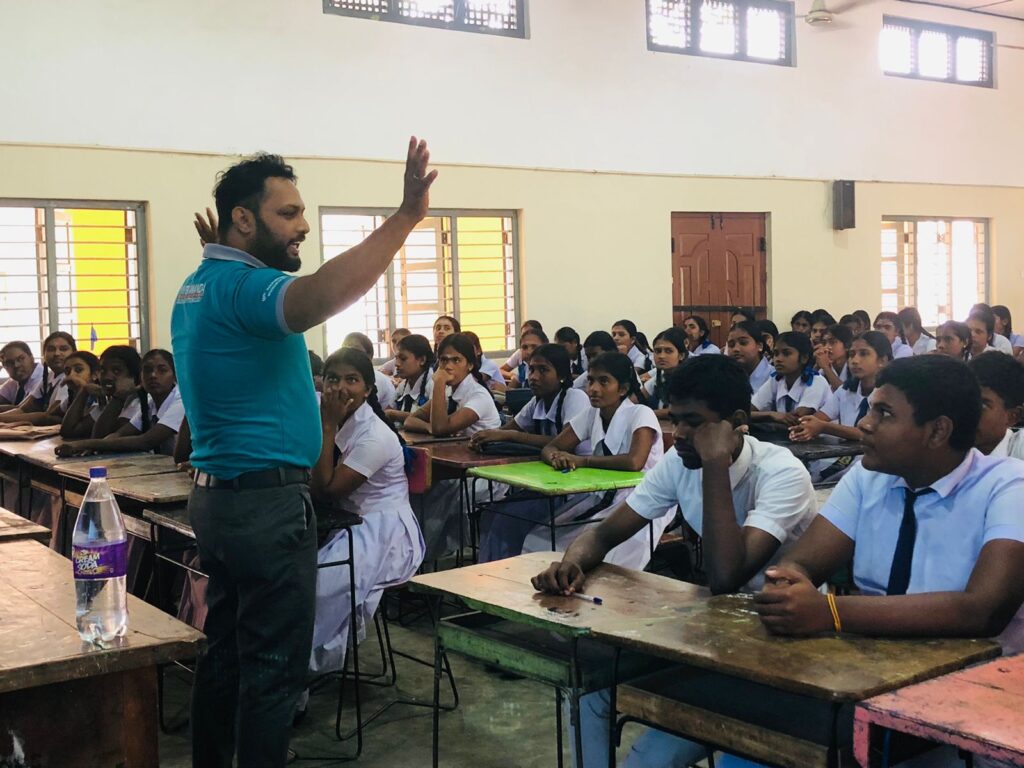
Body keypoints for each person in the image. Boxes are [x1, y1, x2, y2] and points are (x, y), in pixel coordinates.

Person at [171, 138, 435, 768]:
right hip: (266, 505)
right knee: (271, 670)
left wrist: (228, 257)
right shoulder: (244, 286)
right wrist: (403, 220)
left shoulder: (201, 283)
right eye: (287, 213)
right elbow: (316, 296)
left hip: (223, 500)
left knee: (228, 653)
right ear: (244, 219)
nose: (303, 225)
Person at [531, 355, 816, 768]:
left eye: (694, 422)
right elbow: (605, 534)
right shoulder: (680, 461)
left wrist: (715, 463)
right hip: (710, 629)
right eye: (676, 419)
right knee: (590, 688)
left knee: (647, 762)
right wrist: (572, 562)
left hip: (776, 645)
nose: (678, 433)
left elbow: (725, 576)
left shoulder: (781, 474)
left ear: (736, 421)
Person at [753, 356, 1024, 667]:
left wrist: (832, 612)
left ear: (937, 431)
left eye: (884, 413)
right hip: (877, 666)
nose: (864, 424)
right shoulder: (868, 477)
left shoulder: (1010, 486)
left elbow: (982, 610)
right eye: (870, 409)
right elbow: (801, 562)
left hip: (980, 684)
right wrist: (787, 587)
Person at [308, 348, 424, 675]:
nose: (341, 388)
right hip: (345, 519)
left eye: (352, 380)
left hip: (381, 529)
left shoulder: (374, 435)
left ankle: (303, 672)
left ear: (368, 389)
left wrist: (327, 426)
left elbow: (327, 489)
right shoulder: (325, 415)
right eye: (333, 379)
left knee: (321, 585)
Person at [521, 352, 664, 564]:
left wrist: (582, 461)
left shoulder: (641, 413)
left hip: (640, 499)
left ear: (623, 389)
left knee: (608, 556)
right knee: (541, 538)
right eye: (590, 380)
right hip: (601, 494)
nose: (593, 389)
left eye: (604, 381)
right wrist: (556, 457)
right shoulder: (591, 415)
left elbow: (634, 462)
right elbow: (552, 446)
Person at [791, 331, 892, 483]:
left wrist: (823, 427)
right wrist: (807, 425)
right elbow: (821, 417)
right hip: (840, 459)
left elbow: (866, 433)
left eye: (864, 354)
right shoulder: (846, 390)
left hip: (872, 461)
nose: (855, 360)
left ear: (882, 360)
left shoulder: (890, 394)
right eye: (851, 354)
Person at [55, 348, 185, 457]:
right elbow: (109, 435)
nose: (153, 375)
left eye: (162, 370)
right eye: (147, 370)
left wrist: (86, 444)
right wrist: (94, 445)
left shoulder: (180, 401)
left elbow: (146, 441)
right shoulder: (150, 403)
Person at [750, 332, 831, 425]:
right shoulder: (776, 379)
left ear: (804, 358)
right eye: (776, 353)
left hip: (824, 438)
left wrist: (773, 416)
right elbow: (747, 412)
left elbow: (797, 419)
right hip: (789, 436)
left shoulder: (816, 381)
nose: (778, 359)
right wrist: (771, 414)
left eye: (786, 353)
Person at [968, 352, 1024, 460]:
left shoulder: (1019, 451)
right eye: (964, 400)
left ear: (1012, 416)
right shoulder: (946, 447)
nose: (966, 411)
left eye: (981, 405)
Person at [385, 333, 433, 421]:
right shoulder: (403, 386)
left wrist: (394, 414)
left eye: (403, 359)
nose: (397, 364)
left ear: (422, 360)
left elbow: (431, 418)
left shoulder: (433, 384)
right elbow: (387, 411)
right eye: (396, 358)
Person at [342, 332, 397, 410]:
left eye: (354, 349)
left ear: (369, 355)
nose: (348, 353)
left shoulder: (375, 379)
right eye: (345, 348)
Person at [641, 327, 688, 417]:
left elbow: (683, 409)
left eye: (668, 351)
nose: (661, 356)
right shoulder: (659, 378)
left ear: (681, 355)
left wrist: (649, 414)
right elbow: (635, 399)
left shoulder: (692, 378)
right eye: (658, 351)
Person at [726, 320, 771, 394]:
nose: (736, 349)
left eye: (743, 343)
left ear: (760, 346)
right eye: (731, 345)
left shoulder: (774, 377)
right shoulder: (726, 377)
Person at [0, 342, 43, 411]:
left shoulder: (43, 378)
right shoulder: (14, 381)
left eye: (21, 359)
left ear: (32, 358)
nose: (16, 365)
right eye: (9, 362)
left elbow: (23, 409)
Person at [813, 323, 852, 391]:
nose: (826, 347)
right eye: (824, 343)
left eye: (832, 342)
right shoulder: (823, 367)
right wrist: (816, 366)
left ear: (847, 345)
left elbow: (844, 394)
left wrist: (826, 367)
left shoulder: (854, 367)